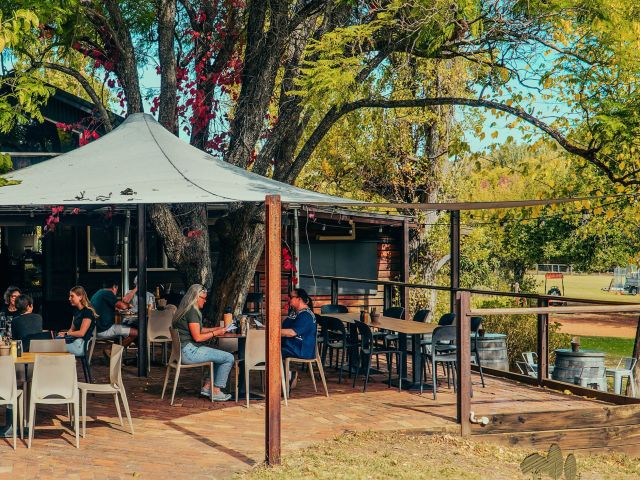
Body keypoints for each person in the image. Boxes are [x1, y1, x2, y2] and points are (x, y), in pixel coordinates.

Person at [173, 284, 234, 401]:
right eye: (203, 298)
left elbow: (198, 330)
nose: (205, 301)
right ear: (196, 297)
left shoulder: (186, 310)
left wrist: (217, 329)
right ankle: (216, 390)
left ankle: (207, 387)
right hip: (189, 352)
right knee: (228, 357)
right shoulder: (192, 312)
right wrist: (216, 333)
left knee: (218, 354)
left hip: (183, 351)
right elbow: (198, 338)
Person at [281, 288, 317, 389]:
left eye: (291, 297)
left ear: (299, 299)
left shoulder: (306, 315)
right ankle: (286, 376)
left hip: (301, 348)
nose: (289, 299)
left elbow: (292, 332)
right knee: (269, 350)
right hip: (291, 345)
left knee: (272, 353)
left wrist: (273, 331)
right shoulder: (295, 312)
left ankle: (284, 380)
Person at [91, 281, 137, 352]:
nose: (116, 292)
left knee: (123, 328)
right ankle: (111, 351)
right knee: (136, 333)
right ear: (114, 287)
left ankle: (113, 353)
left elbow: (103, 308)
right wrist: (129, 305)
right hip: (103, 329)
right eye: (117, 289)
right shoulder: (108, 293)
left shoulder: (99, 293)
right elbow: (123, 306)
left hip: (95, 328)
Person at [58, 286, 96, 356]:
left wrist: (66, 334)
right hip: (74, 341)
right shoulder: (76, 311)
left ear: (80, 297)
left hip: (80, 346)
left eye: (72, 296)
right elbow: (71, 330)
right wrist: (63, 334)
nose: (69, 298)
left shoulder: (88, 312)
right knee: (56, 340)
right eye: (69, 296)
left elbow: (81, 333)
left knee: (54, 348)